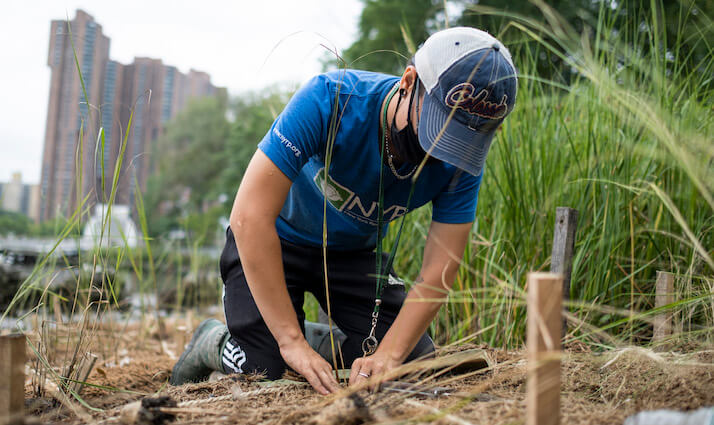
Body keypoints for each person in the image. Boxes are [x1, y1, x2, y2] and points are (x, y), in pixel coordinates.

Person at [170, 27, 517, 395]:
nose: (441, 152)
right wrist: (290, 342)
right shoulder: (330, 100)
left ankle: (315, 342)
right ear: (408, 81)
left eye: (462, 141)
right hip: (274, 239)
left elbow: (439, 269)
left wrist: (390, 356)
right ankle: (215, 340)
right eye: (438, 130)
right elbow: (249, 216)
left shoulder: (462, 161)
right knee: (264, 366)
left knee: (411, 357)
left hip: (351, 256)